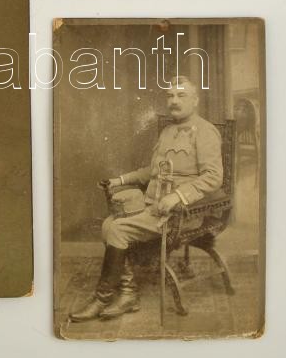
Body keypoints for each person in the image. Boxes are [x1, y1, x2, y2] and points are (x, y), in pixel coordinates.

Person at [69, 77, 223, 322]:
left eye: (181, 95)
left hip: (182, 214)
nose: (174, 101)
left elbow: (213, 177)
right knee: (108, 224)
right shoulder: (167, 131)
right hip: (154, 208)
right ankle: (128, 293)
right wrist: (119, 180)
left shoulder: (205, 132)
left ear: (195, 100)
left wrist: (178, 196)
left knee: (117, 229)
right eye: (170, 96)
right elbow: (151, 171)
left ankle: (102, 298)